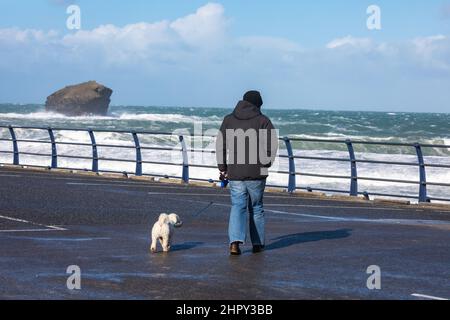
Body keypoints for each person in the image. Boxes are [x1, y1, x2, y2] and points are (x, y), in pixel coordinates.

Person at [216, 90, 278, 255]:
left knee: (238, 206)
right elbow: (272, 145)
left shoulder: (229, 119)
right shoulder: (263, 120)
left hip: (235, 171)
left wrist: (222, 167)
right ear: (257, 105)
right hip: (257, 172)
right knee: (256, 208)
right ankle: (257, 243)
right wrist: (266, 163)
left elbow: (220, 144)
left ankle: (234, 243)